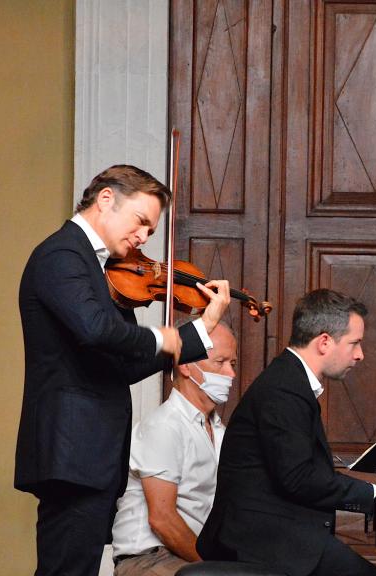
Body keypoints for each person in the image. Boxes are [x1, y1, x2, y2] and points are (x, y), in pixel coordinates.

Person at [14, 164, 231, 576]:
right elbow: (98, 331)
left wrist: (198, 335)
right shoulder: (62, 254)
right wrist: (163, 338)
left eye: (151, 230)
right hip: (71, 451)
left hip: (90, 455)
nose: (144, 237)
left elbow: (121, 365)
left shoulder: (100, 267)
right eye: (141, 222)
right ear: (107, 199)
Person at [197, 289, 376, 576]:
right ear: (324, 342)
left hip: (281, 535)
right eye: (354, 343)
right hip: (264, 543)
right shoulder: (284, 388)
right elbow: (298, 478)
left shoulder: (291, 381)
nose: (360, 355)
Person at [110, 321, 237, 576]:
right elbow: (162, 520)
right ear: (186, 365)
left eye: (232, 364)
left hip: (190, 557)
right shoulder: (164, 426)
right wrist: (212, 566)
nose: (231, 374)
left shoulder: (220, 431)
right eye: (220, 362)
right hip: (148, 560)